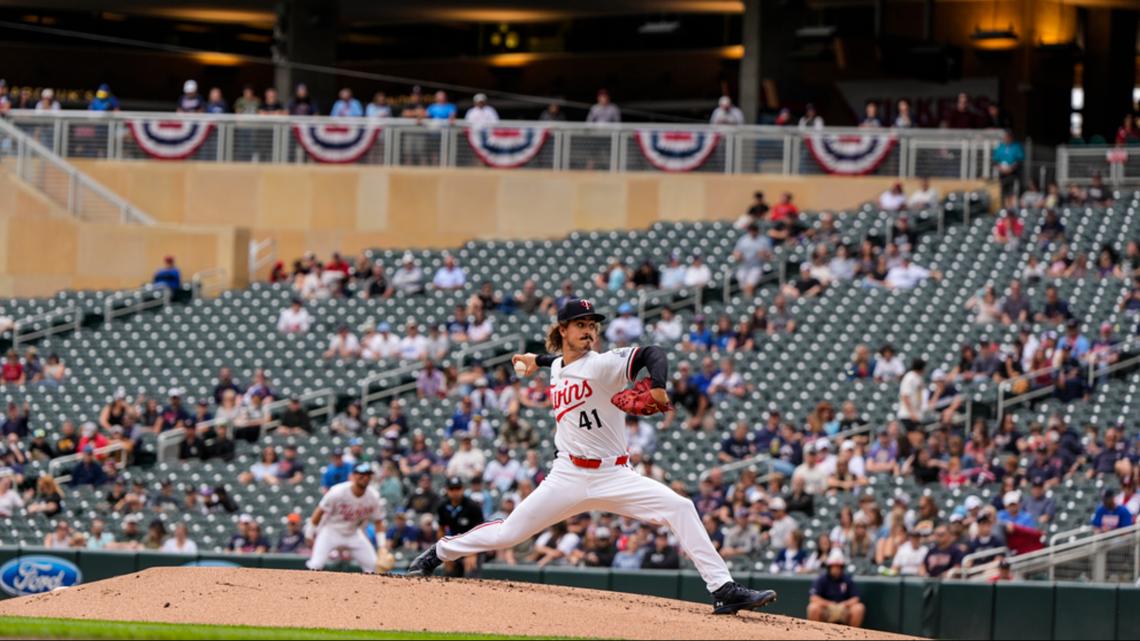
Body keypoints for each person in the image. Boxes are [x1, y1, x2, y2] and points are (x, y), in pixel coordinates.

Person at [408, 298, 777, 615]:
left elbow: (652, 353)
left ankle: (723, 589)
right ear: (563, 329)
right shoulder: (557, 366)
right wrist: (533, 360)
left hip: (615, 475)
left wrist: (660, 386)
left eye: (592, 325)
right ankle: (440, 552)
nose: (589, 331)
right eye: (580, 324)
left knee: (680, 507)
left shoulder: (604, 364)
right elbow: (556, 362)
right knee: (509, 533)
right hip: (567, 475)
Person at [306, 463, 384, 572]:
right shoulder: (337, 492)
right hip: (331, 531)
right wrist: (309, 534)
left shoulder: (373, 496)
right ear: (352, 476)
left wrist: (382, 546)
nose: (365, 477)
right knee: (315, 565)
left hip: (353, 533)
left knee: (373, 565)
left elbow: (378, 521)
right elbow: (319, 511)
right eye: (361, 474)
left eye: (368, 475)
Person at [807, 550, 865, 628]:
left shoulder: (847, 579)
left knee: (859, 608)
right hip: (826, 609)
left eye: (838, 566)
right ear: (829, 567)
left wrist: (843, 605)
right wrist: (830, 604)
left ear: (842, 567)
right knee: (813, 608)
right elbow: (813, 598)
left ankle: (852, 635)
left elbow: (856, 598)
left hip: (844, 609)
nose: (836, 569)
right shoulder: (821, 579)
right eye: (833, 566)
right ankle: (815, 634)